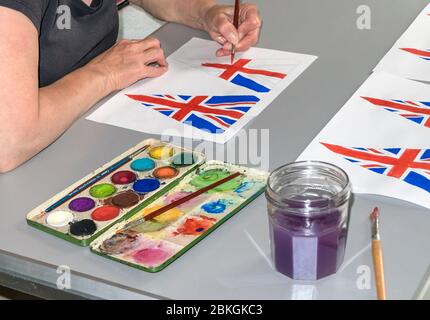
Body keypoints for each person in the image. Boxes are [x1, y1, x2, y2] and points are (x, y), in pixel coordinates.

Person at [0, 0, 261, 172]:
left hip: (80, 136)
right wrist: (104, 74)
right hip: (27, 173)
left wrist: (206, 13)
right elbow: (10, 143)